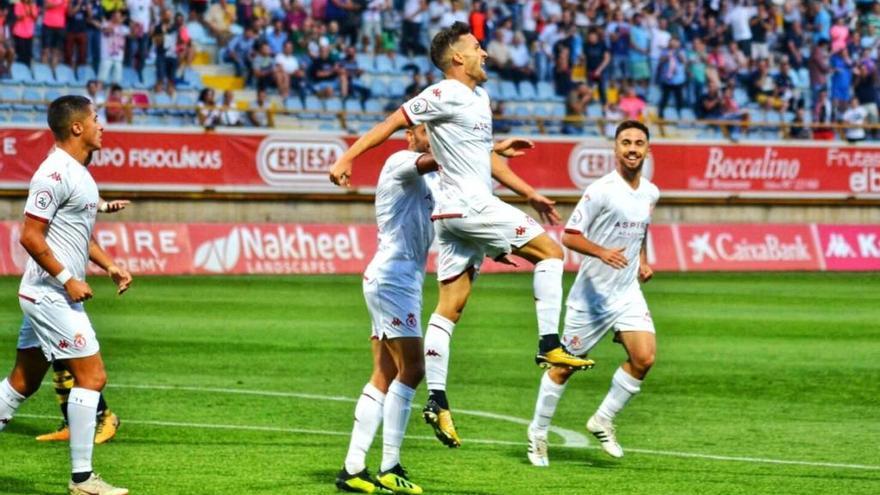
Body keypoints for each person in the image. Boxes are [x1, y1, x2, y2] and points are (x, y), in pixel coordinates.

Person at [329, 22, 593, 449]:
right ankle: (549, 345)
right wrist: (347, 156)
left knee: (449, 309)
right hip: (469, 207)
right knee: (551, 252)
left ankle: (437, 399)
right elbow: (394, 121)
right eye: (476, 47)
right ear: (457, 58)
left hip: (453, 218)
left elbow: (482, 158)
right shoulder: (446, 92)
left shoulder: (479, 98)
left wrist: (525, 189)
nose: (484, 53)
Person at [0, 95, 132, 494]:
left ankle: (82, 479)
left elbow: (78, 236)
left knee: (22, 382)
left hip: (49, 293)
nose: (101, 125)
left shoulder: (80, 173)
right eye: (95, 119)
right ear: (77, 127)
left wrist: (109, 265)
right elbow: (30, 235)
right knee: (92, 376)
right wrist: (67, 279)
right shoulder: (53, 173)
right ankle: (82, 479)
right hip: (51, 294)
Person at [525, 120, 659, 467]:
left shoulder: (650, 192)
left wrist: (642, 261)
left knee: (644, 358)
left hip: (627, 292)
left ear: (647, 149)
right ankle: (537, 433)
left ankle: (602, 419)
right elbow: (569, 235)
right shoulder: (600, 190)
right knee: (563, 369)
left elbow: (640, 231)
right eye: (626, 142)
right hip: (591, 297)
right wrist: (602, 252)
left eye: (639, 143)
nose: (632, 148)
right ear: (615, 149)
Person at [35, 195, 130, 444]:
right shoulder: (61, 178)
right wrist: (103, 206)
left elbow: (83, 238)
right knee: (57, 356)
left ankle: (104, 416)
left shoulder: (65, 175)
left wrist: (103, 206)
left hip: (61, 289)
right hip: (43, 288)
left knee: (71, 358)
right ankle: (72, 422)